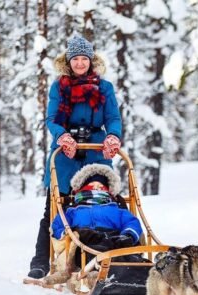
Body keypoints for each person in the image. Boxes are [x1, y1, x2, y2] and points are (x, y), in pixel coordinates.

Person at [28, 35, 123, 279]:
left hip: (96, 150)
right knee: (55, 206)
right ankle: (41, 260)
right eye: (75, 59)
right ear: (68, 62)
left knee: (102, 201)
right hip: (65, 154)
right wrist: (63, 136)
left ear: (91, 61)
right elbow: (52, 119)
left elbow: (113, 118)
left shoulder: (105, 88)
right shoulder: (59, 87)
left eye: (84, 59)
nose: (80, 63)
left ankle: (105, 253)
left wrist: (113, 136)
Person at [51, 163, 142, 252]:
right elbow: (58, 225)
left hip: (114, 240)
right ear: (82, 189)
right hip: (83, 244)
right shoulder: (72, 210)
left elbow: (131, 222)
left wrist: (128, 235)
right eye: (92, 186)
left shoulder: (117, 209)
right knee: (87, 240)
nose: (96, 189)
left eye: (101, 187)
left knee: (125, 254)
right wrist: (69, 235)